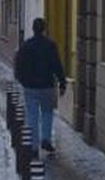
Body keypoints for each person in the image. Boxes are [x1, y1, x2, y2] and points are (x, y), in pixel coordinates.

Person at [14, 17, 67, 153]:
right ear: (44, 29)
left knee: (32, 115)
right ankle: (46, 139)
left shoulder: (26, 45)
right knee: (47, 113)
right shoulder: (50, 45)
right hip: (47, 86)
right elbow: (57, 64)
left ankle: (33, 144)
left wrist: (22, 80)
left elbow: (18, 65)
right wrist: (62, 82)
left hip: (30, 86)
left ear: (33, 29)